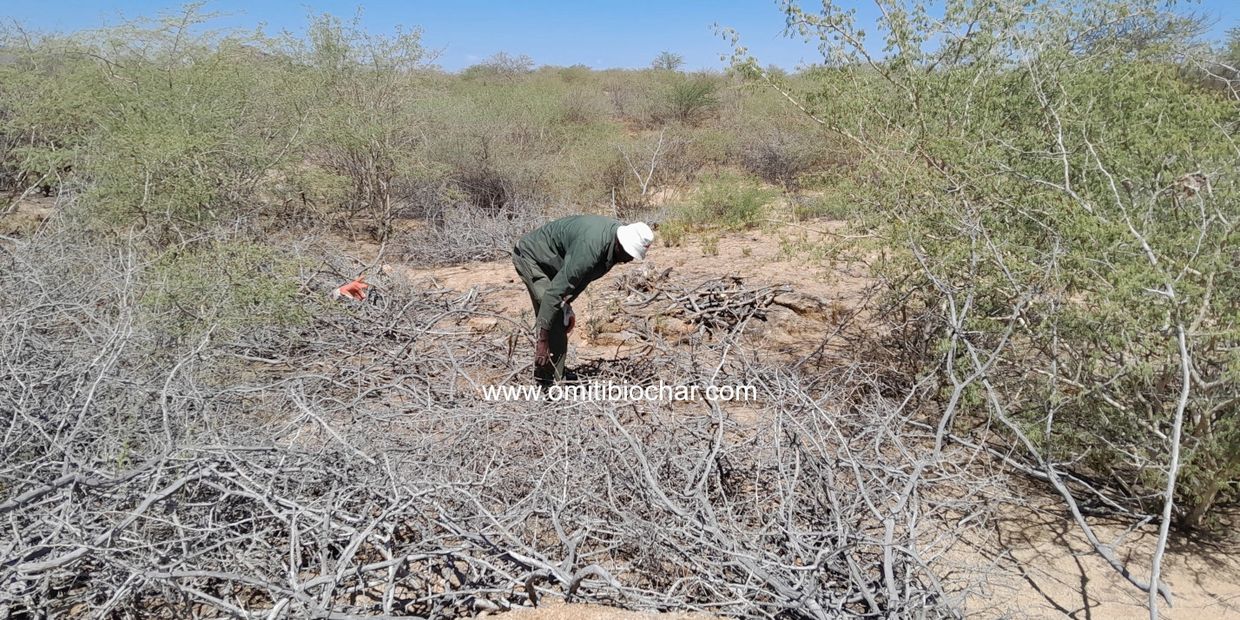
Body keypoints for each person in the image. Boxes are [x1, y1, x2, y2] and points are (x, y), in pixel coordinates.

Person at [512, 216, 654, 385]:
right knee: (552, 313)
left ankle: (555, 374)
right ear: (620, 244)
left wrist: (567, 306)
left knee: (558, 312)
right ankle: (548, 381)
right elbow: (553, 294)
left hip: (555, 263)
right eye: (629, 253)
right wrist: (542, 341)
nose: (629, 260)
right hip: (532, 257)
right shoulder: (591, 248)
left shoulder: (611, 247)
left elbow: (581, 279)